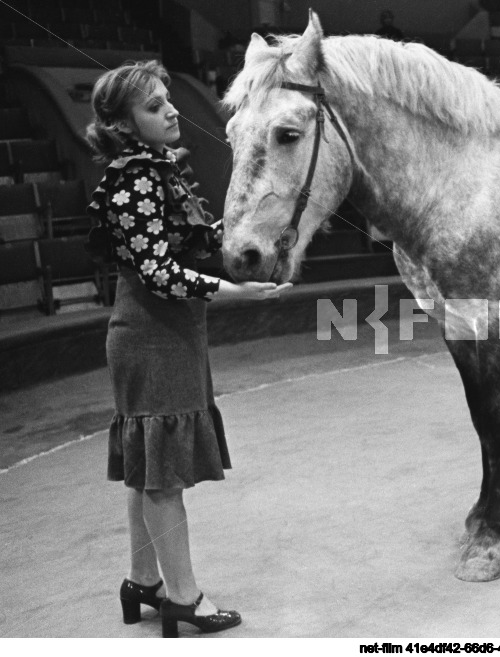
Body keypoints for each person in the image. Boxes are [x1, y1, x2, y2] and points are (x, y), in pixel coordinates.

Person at [85, 60, 291, 636]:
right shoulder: (136, 178)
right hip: (151, 335)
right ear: (123, 125)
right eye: (154, 107)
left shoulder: (155, 168)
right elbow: (158, 273)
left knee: (147, 469)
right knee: (163, 478)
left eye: (167, 99)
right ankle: (182, 597)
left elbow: (191, 244)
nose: (172, 110)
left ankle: (143, 582)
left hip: (168, 331)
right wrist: (233, 292)